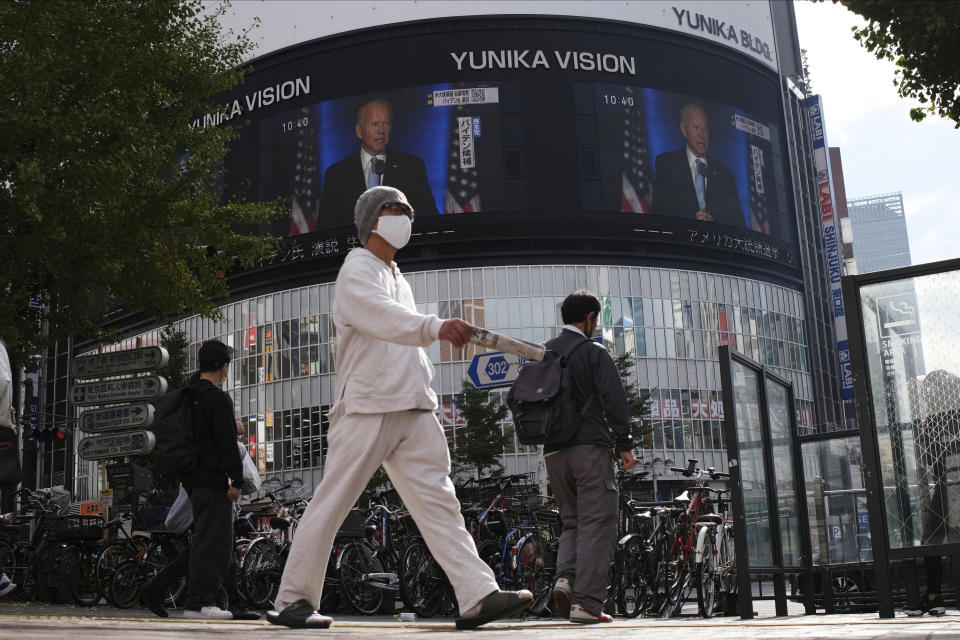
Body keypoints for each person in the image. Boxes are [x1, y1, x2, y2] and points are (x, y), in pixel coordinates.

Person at [267, 186, 532, 629]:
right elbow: (380, 316)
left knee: (440, 503)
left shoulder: (397, 276)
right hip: (368, 407)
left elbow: (401, 332)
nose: (406, 216)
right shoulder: (356, 269)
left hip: (412, 405)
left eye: (408, 210)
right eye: (395, 209)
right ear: (372, 220)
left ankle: (477, 594)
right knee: (333, 503)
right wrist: (435, 326)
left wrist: (426, 367)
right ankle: (293, 600)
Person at [544, 290, 637, 624]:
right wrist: (625, 444)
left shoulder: (545, 352)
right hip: (589, 450)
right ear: (588, 319)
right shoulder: (593, 352)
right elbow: (614, 398)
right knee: (598, 523)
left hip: (553, 453)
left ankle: (565, 579)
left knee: (572, 522)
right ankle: (586, 604)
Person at [142, 418, 260, 620]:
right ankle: (224, 603)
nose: (239, 437)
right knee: (219, 552)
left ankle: (157, 588)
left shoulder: (202, 445)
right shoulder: (221, 446)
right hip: (212, 505)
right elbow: (244, 479)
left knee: (203, 552)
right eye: (237, 434)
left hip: (206, 506)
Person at [179, 339, 244, 620]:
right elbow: (226, 445)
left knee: (204, 540)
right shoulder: (217, 398)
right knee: (215, 544)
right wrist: (237, 482)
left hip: (193, 481)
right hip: (214, 482)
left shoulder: (189, 396)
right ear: (224, 367)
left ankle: (200, 600)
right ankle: (200, 602)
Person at [320, 99, 439, 227]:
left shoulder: (412, 167)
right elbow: (326, 226)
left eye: (386, 123)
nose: (381, 130)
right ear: (359, 131)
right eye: (375, 124)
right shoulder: (337, 173)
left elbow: (430, 219)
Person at [651, 104, 745, 228]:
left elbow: (739, 225)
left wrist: (714, 225)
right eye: (696, 128)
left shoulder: (725, 176)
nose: (702, 135)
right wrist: (692, 222)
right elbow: (659, 215)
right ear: (684, 130)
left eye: (705, 130)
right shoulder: (666, 164)